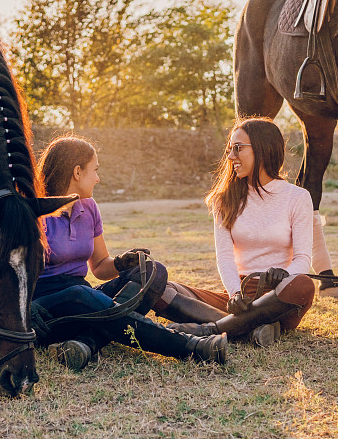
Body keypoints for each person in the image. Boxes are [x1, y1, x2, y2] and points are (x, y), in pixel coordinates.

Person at [30, 135, 227, 370]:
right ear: (77, 172)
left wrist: (122, 263)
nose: (98, 178)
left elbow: (100, 267)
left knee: (152, 271)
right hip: (44, 312)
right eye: (95, 170)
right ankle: (191, 346)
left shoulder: (89, 208)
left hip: (84, 302)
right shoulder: (34, 212)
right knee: (79, 294)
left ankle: (87, 343)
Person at [156, 117, 338, 346]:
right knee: (159, 288)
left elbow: (303, 258)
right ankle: (249, 328)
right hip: (240, 296)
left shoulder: (297, 197)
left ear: (263, 149)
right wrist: (235, 294)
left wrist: (285, 275)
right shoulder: (224, 199)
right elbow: (225, 257)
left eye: (238, 148)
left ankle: (212, 328)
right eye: (229, 149)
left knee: (303, 285)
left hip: (278, 295)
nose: (230, 156)